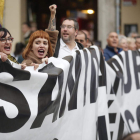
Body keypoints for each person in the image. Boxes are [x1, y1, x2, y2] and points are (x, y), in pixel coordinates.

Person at [22, 4, 58, 69]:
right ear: (31, 47)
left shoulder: (48, 57)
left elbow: (52, 36)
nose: (42, 46)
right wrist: (41, 63)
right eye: (37, 43)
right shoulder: (27, 62)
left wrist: (52, 14)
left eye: (45, 43)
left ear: (48, 47)